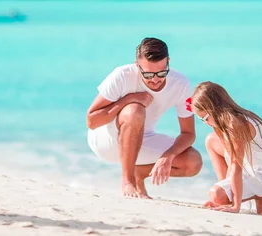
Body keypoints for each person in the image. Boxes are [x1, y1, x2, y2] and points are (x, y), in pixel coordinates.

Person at [86, 37, 203, 199]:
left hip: (141, 141)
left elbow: (189, 134)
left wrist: (167, 157)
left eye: (161, 73)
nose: (154, 79)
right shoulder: (121, 75)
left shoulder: (181, 84)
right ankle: (128, 181)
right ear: (137, 65)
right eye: (147, 74)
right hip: (106, 139)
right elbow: (91, 121)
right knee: (135, 110)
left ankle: (138, 173)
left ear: (168, 61)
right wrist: (128, 99)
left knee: (193, 162)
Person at [190, 81, 262, 215]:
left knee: (215, 194)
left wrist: (235, 205)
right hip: (256, 165)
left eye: (205, 118)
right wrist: (226, 188)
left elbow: (236, 166)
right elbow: (231, 157)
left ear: (214, 109)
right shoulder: (228, 120)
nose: (205, 123)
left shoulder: (235, 124)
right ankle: (233, 192)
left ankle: (255, 194)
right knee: (211, 140)